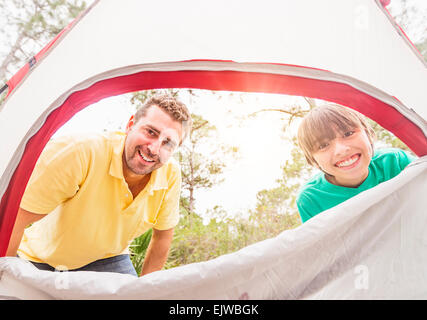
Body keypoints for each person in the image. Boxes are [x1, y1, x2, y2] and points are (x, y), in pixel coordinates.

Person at [6, 94, 192, 277]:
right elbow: (16, 219)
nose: (154, 149)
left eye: (167, 143)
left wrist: (146, 292)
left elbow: (163, 237)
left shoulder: (170, 175)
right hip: (40, 258)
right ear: (130, 125)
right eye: (150, 132)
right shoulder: (80, 152)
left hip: (108, 258)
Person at [296, 103, 416, 224]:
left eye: (348, 134)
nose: (341, 150)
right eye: (323, 145)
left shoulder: (395, 162)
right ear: (313, 160)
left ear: (368, 134)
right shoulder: (311, 199)